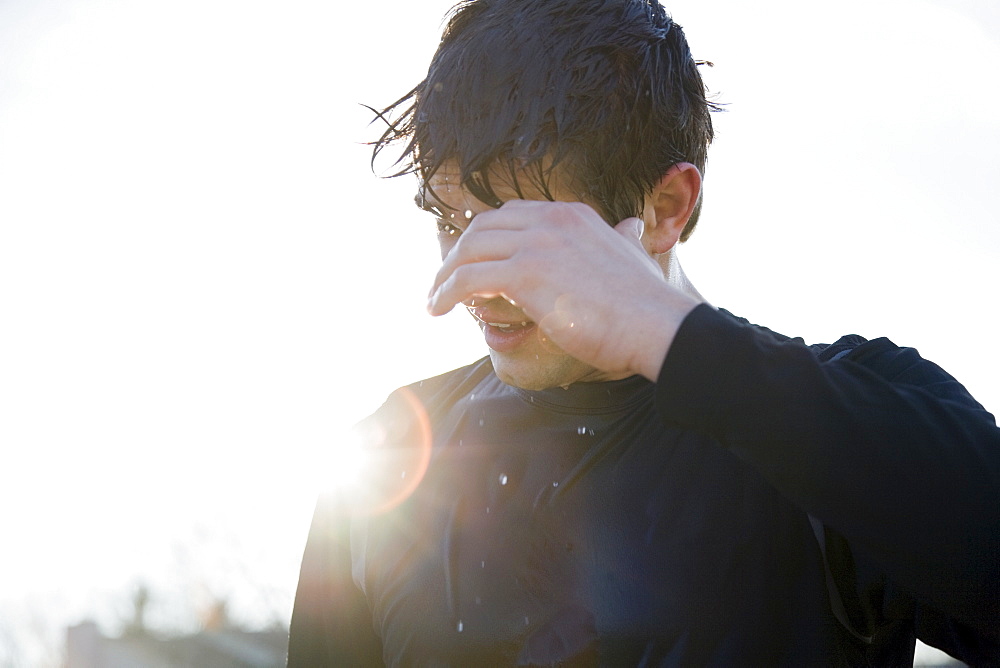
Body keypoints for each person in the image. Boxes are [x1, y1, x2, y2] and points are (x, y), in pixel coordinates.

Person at [287, 0, 1000, 664]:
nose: (475, 276)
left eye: (522, 234)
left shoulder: (850, 418)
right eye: (450, 223)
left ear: (667, 208)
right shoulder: (389, 459)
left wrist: (674, 337)